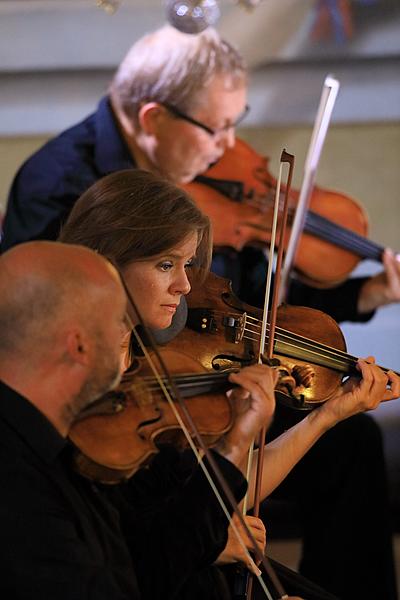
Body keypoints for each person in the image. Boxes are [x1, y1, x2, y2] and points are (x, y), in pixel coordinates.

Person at [1, 24, 399, 599]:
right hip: (121, 386)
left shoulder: (193, 196)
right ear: (153, 118)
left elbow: (231, 301)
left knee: (349, 439)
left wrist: (359, 298)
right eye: (216, 126)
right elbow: (42, 303)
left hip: (183, 375)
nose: (228, 145)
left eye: (237, 121)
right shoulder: (60, 186)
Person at [58, 168, 400, 600]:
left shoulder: (159, 357)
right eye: (165, 264)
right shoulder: (73, 384)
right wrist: (213, 540)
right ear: (105, 262)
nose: (184, 286)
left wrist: (327, 415)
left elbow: (224, 487)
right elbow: (126, 552)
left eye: (186, 265)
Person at [0, 239, 296, 600]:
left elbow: (145, 574)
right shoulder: (20, 487)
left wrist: (233, 446)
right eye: (118, 322)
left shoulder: (55, 445)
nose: (131, 339)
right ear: (78, 346)